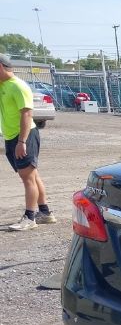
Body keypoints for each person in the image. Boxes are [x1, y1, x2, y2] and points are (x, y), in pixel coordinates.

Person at [0, 54, 55, 231]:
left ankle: (30, 217)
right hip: (11, 137)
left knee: (28, 177)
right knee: (32, 175)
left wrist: (21, 141)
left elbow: (27, 114)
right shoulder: (4, 85)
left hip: (23, 136)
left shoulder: (18, 86)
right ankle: (45, 213)